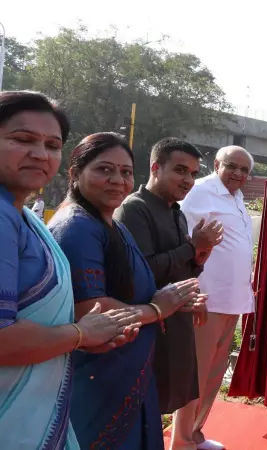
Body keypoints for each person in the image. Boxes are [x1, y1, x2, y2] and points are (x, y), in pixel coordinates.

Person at [0, 91, 144, 450]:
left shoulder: (22, 218)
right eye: (22, 140)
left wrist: (88, 336)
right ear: (76, 174)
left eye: (52, 144)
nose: (40, 153)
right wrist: (81, 333)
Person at [48, 132, 201, 449]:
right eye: (104, 169)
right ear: (75, 173)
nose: (117, 180)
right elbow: (90, 310)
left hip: (129, 368)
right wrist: (158, 310)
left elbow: (133, 287)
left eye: (125, 172)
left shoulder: (109, 224)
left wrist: (177, 299)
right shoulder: (77, 227)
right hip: (100, 375)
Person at [114, 138, 222, 416]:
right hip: (147, 323)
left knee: (165, 401)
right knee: (141, 407)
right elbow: (143, 269)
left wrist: (197, 263)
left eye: (194, 174)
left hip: (175, 321)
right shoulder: (134, 208)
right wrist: (191, 247)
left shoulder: (177, 213)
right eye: (180, 170)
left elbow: (180, 268)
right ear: (155, 168)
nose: (188, 180)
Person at [174, 145, 256, 450]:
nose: (237, 174)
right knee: (196, 373)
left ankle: (196, 433)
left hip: (232, 300)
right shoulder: (201, 192)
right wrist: (191, 289)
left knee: (213, 375)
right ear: (216, 164)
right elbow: (184, 239)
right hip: (207, 299)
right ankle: (181, 441)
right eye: (232, 166)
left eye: (244, 170)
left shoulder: (237, 198)